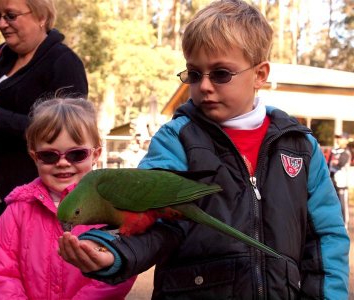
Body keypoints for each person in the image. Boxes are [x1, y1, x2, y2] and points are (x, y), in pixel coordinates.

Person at [58, 0, 349, 299]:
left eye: (221, 73)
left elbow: (327, 238)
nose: (205, 86)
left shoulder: (301, 146)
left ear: (260, 75)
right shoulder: (175, 139)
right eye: (194, 74)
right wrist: (111, 248)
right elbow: (149, 221)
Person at [0, 0, 88, 295]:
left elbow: (71, 133)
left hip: (27, 199)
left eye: (10, 15)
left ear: (41, 16)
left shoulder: (63, 63)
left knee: (26, 280)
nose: (2, 24)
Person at [0, 97, 135, 299]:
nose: (63, 163)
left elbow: (122, 265)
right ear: (34, 156)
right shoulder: (18, 209)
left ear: (95, 154)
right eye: (49, 155)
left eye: (76, 154)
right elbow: (1, 272)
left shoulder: (110, 208)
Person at [328, 133, 352, 229]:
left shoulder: (346, 152)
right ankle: (334, 224)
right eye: (337, 138)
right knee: (333, 204)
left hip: (342, 184)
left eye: (340, 138)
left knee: (343, 206)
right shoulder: (334, 151)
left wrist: (334, 161)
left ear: (346, 140)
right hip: (332, 183)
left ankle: (344, 226)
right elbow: (328, 163)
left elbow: (340, 163)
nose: (338, 140)